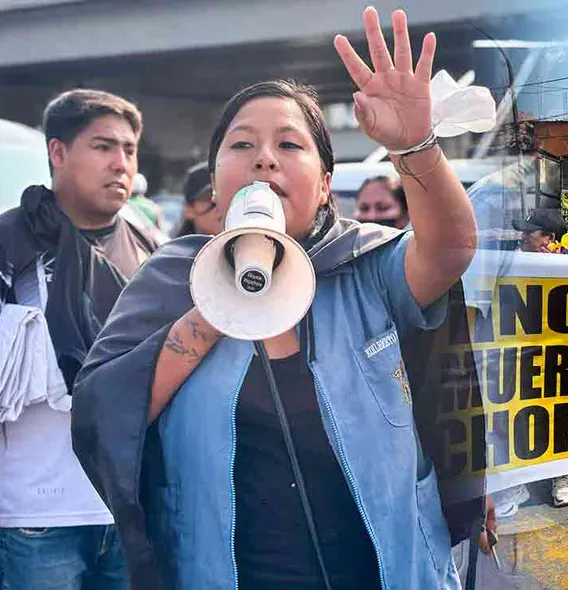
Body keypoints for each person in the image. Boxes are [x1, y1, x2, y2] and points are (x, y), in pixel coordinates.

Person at [71, 9, 477, 589]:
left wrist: (415, 145)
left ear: (325, 185)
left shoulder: (366, 265)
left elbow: (450, 249)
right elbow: (106, 409)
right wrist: (222, 303)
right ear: (216, 186)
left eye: (290, 144)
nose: (265, 158)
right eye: (242, 144)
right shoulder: (172, 276)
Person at [0, 89, 155, 590]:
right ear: (58, 152)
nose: (121, 164)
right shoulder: (10, 243)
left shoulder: (150, 247)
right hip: (36, 516)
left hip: (127, 509)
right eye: (103, 147)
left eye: (129, 150)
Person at [512, 208, 568, 507]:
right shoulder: (510, 261)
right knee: (517, 413)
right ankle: (515, 481)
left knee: (557, 415)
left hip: (558, 356)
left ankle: (560, 477)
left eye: (530, 232)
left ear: (549, 239)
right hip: (518, 353)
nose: (523, 236)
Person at [172, 161, 224, 237]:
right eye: (208, 197)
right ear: (189, 209)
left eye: (224, 196)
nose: (219, 204)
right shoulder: (178, 245)